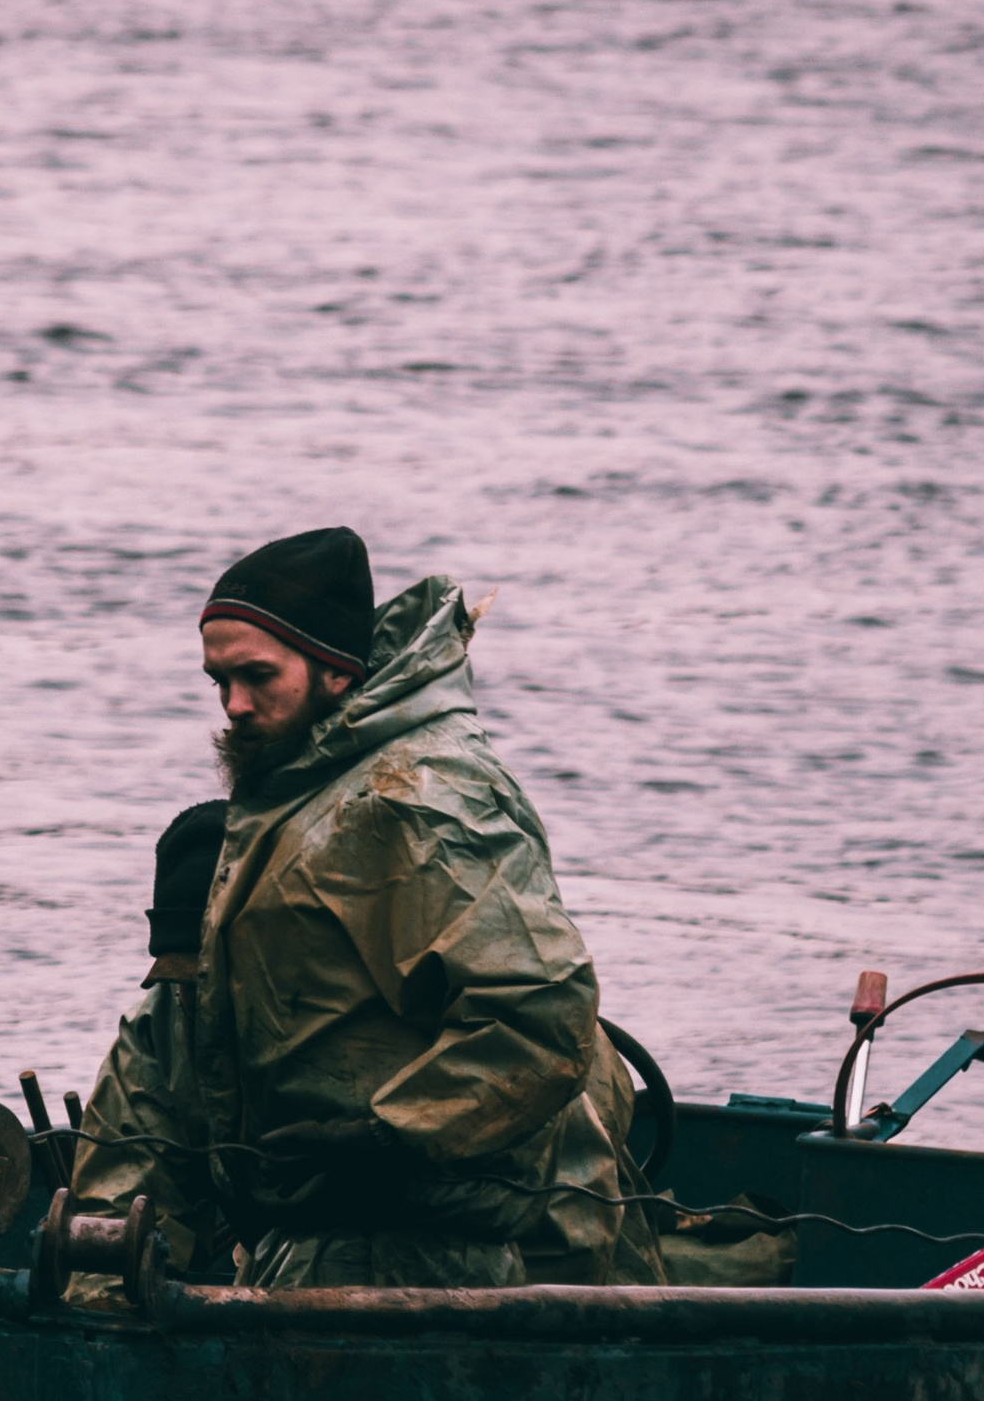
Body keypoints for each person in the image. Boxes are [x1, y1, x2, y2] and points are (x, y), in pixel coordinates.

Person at [191, 526, 646, 1288]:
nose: (234, 705)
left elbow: (542, 1014)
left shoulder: (418, 796)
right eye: (218, 682)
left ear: (336, 672)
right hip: (324, 1231)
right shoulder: (309, 790)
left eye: (257, 677)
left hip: (413, 1250)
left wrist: (385, 1138)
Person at [71, 798, 232, 1277]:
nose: (194, 998)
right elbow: (118, 1203)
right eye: (183, 981)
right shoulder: (153, 1033)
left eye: (211, 980)